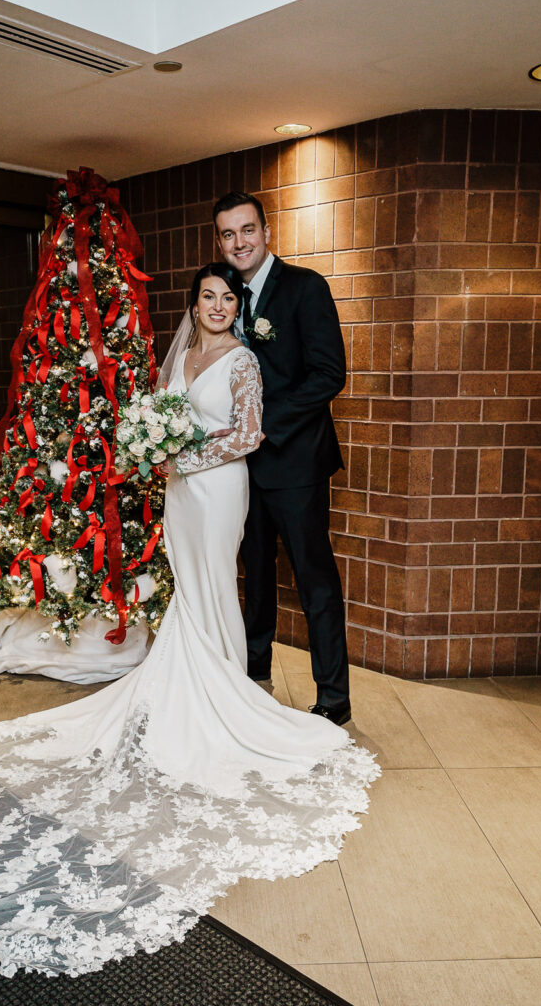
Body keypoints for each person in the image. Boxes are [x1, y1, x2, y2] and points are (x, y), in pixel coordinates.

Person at [0, 264, 378, 978]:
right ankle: (193, 683)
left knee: (212, 584)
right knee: (187, 592)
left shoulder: (241, 359)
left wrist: (183, 454)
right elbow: (153, 419)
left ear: (237, 308)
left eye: (226, 297)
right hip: (181, 494)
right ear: (195, 304)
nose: (214, 306)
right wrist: (158, 452)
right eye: (207, 296)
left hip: (218, 488)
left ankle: (223, 694)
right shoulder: (181, 356)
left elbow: (248, 434)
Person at [214, 192, 351, 726]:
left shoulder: (304, 288)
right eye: (228, 234)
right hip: (241, 471)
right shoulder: (225, 296)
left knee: (315, 581)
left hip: (295, 465)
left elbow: (328, 374)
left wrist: (261, 425)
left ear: (266, 232)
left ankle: (333, 700)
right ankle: (254, 675)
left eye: (247, 230)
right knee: (256, 578)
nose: (239, 242)